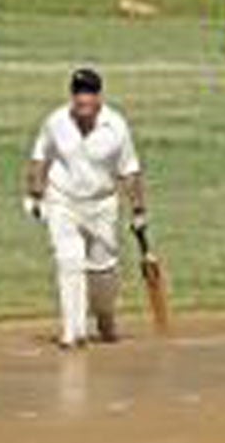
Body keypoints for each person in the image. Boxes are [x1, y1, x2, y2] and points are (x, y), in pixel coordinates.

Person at [24, 67, 149, 348]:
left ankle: (105, 315)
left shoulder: (115, 127)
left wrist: (138, 210)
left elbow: (129, 170)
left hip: (102, 204)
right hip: (63, 200)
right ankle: (73, 331)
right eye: (79, 96)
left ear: (98, 98)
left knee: (103, 269)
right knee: (69, 261)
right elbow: (39, 157)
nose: (84, 103)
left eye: (89, 96)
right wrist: (34, 194)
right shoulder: (56, 122)